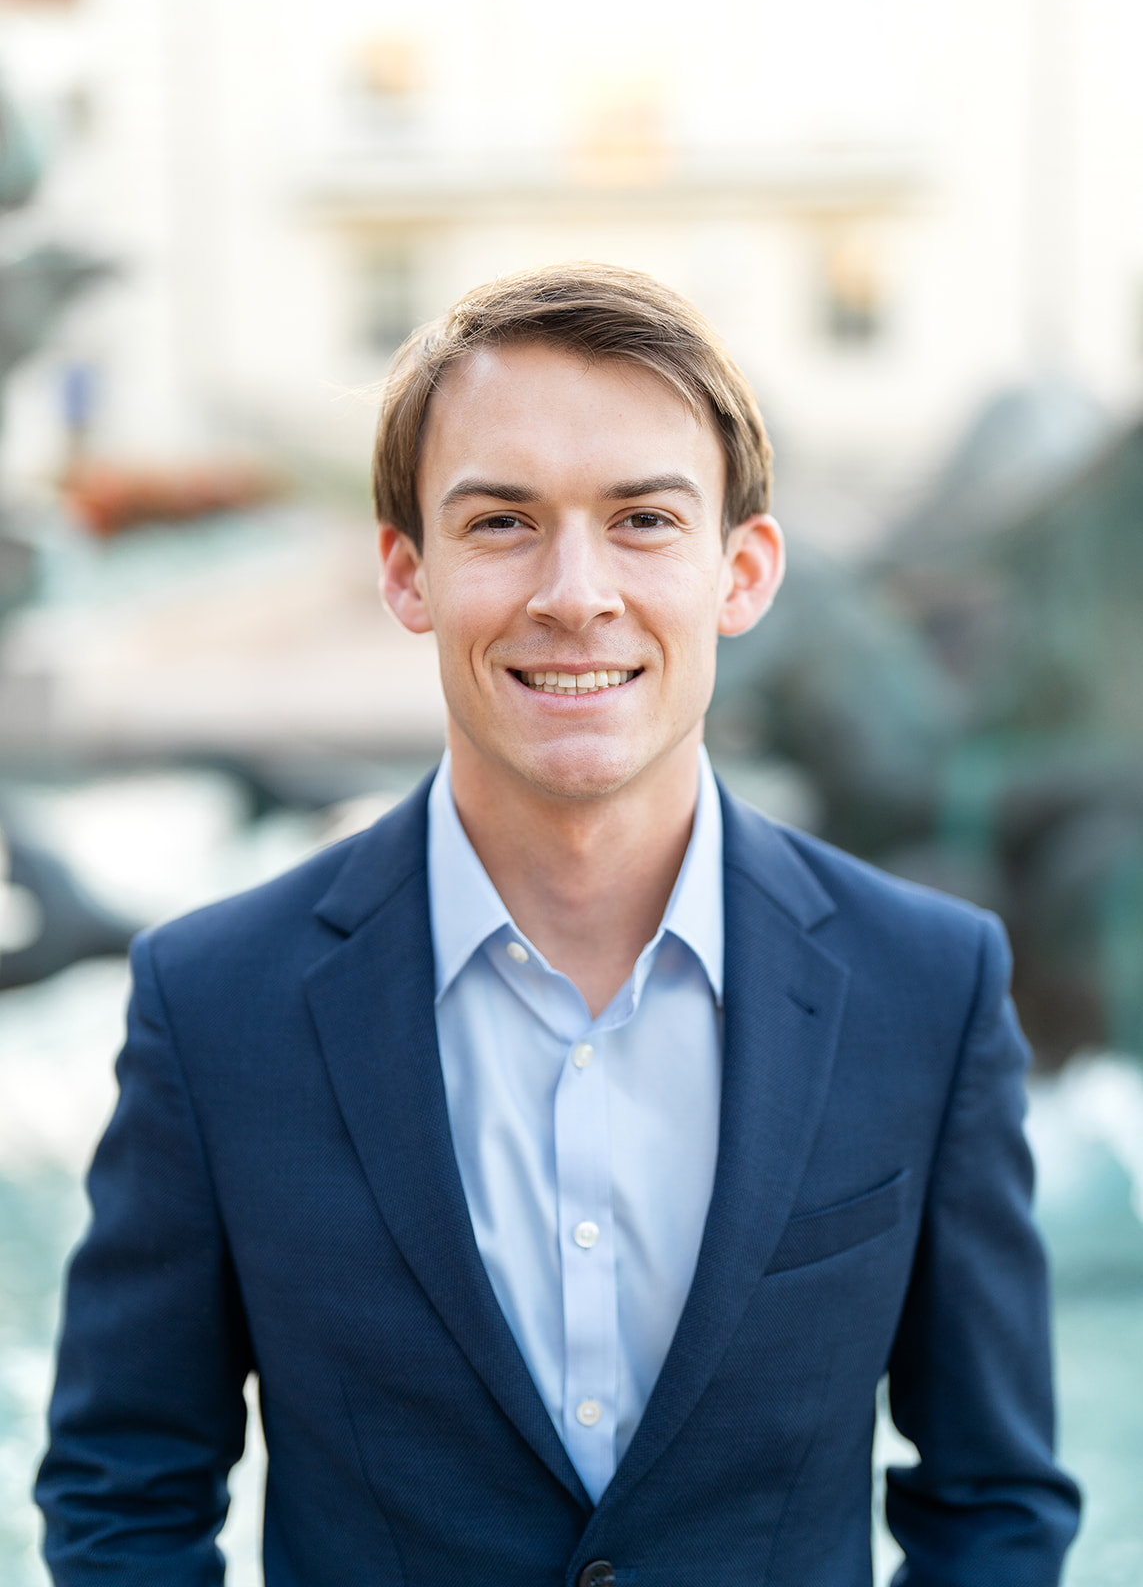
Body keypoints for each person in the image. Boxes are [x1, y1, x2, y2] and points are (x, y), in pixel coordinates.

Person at [37, 264, 1080, 1586]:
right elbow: (124, 1496)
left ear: (744, 573)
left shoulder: (928, 987)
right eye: (501, 524)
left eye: (643, 519)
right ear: (407, 573)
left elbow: (994, 1499)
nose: (575, 592)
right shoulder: (213, 1001)